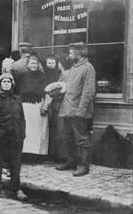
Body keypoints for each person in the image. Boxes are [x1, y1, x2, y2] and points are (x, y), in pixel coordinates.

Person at [56, 42, 96, 177]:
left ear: (78, 54)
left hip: (78, 111)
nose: (69, 55)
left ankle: (84, 166)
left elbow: (88, 92)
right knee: (68, 137)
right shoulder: (74, 67)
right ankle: (71, 162)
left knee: (82, 139)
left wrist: (81, 111)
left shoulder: (88, 68)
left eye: (71, 53)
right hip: (68, 109)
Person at [0, 73, 27, 201]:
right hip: (1, 136)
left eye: (8, 82)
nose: (6, 84)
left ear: (12, 84)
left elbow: (22, 118)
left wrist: (22, 132)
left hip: (16, 137)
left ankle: (16, 189)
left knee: (16, 164)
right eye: (3, 82)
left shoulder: (17, 99)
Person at [16, 55, 49, 155]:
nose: (34, 65)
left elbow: (46, 92)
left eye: (36, 63)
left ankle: (37, 153)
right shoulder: (22, 76)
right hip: (25, 105)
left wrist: (44, 105)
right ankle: (25, 152)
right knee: (27, 129)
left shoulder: (43, 76)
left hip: (38, 105)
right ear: (27, 65)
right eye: (32, 63)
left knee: (38, 130)